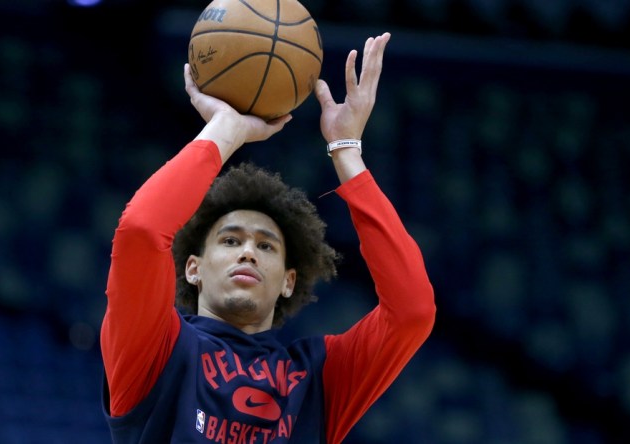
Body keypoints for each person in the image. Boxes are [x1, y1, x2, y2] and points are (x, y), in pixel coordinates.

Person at [101, 32, 436, 443]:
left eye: (266, 246)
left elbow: (412, 311)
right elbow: (140, 230)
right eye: (229, 240)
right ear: (193, 268)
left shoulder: (319, 375)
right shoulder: (156, 347)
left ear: (288, 280)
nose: (248, 252)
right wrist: (227, 129)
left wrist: (346, 149)